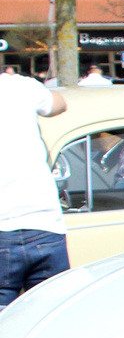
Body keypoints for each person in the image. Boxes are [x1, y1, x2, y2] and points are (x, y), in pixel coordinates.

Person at [0, 70, 69, 310]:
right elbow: (59, 104)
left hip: (2, 228)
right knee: (50, 316)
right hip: (44, 222)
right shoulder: (20, 86)